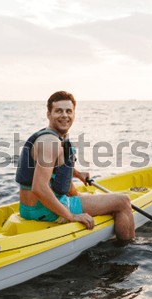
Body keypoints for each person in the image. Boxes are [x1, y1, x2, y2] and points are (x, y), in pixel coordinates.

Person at [16, 91, 135, 241]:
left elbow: (54, 169)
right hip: (44, 210)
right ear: (49, 114)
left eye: (68, 111)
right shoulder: (50, 143)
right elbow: (39, 188)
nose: (65, 115)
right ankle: (127, 251)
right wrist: (70, 216)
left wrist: (77, 173)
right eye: (59, 111)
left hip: (29, 208)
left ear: (74, 114)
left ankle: (81, 201)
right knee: (123, 201)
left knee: (79, 194)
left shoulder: (50, 137)